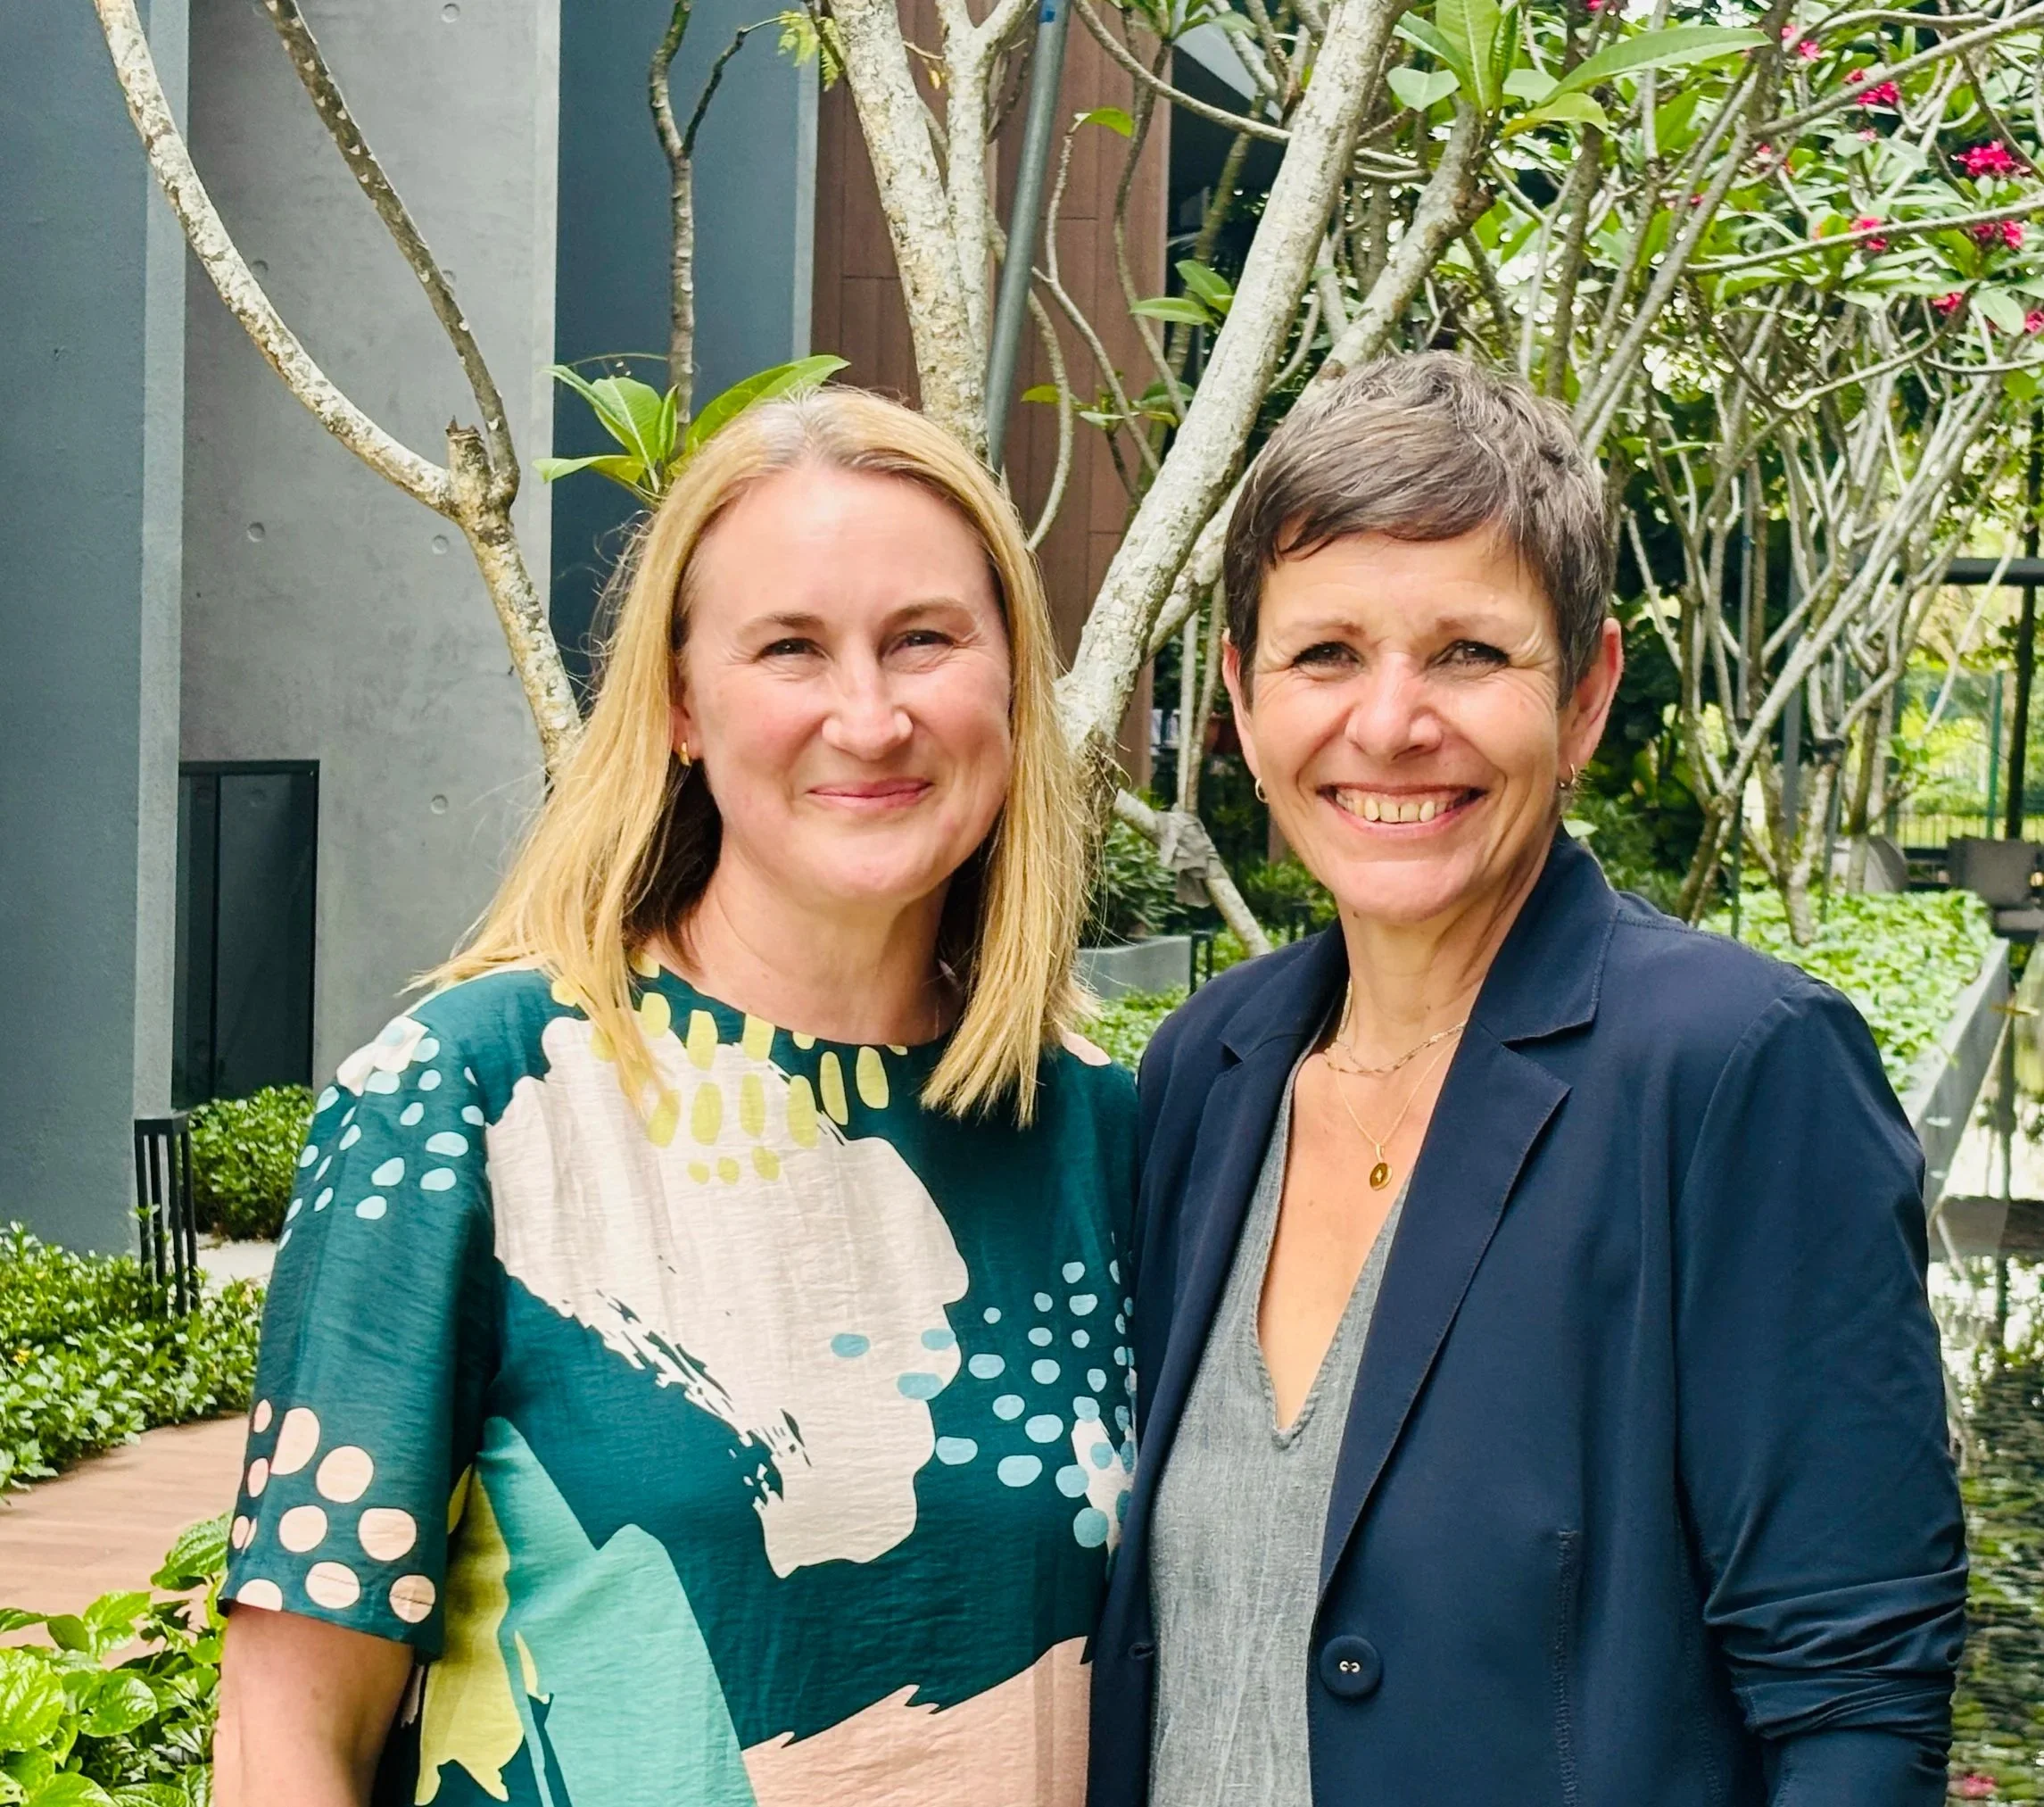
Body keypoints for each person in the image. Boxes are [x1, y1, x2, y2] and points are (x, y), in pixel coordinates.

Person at [214, 387, 1138, 1807]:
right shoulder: (468, 1103)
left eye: (924, 640)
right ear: (680, 705)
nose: (870, 714)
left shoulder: (1111, 1137)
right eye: (789, 649)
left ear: (1010, 680)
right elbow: (289, 1745)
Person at [1088, 353, 1965, 1807]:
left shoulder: (1730, 1067)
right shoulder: (1208, 1066)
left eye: (1468, 655)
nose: (1388, 724)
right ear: (1239, 701)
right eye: (1324, 656)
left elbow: (1853, 1695)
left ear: (1584, 694)